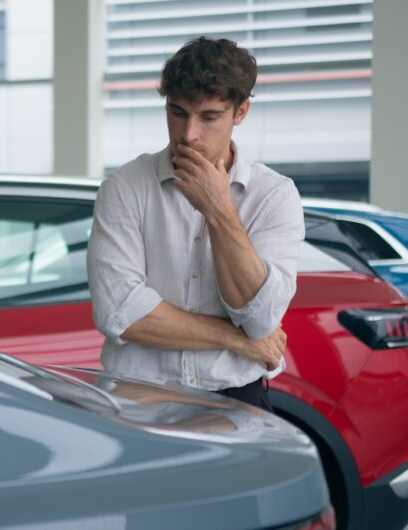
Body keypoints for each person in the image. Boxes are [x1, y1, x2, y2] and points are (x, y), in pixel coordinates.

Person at [87, 37, 305, 411]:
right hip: (137, 398)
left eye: (209, 117)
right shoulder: (124, 187)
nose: (188, 134)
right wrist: (235, 339)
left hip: (237, 400)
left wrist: (219, 209)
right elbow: (119, 312)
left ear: (240, 113)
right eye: (177, 112)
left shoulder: (274, 196)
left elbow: (260, 319)